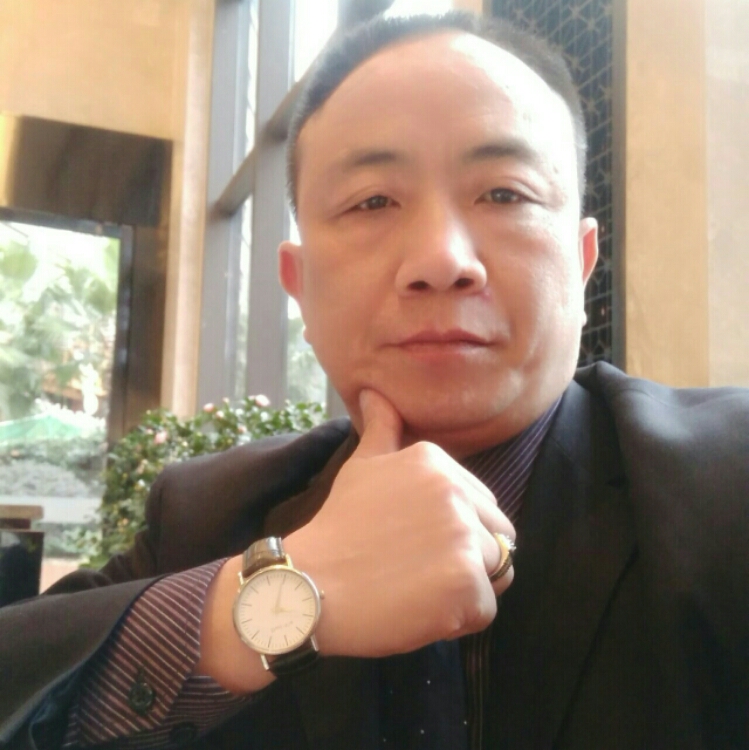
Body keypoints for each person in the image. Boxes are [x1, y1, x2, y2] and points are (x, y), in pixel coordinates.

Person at [2, 10, 748, 750]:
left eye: (504, 193)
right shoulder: (206, 516)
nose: (441, 260)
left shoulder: (726, 482)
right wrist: (267, 601)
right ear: (300, 285)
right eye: (373, 201)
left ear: (582, 265)